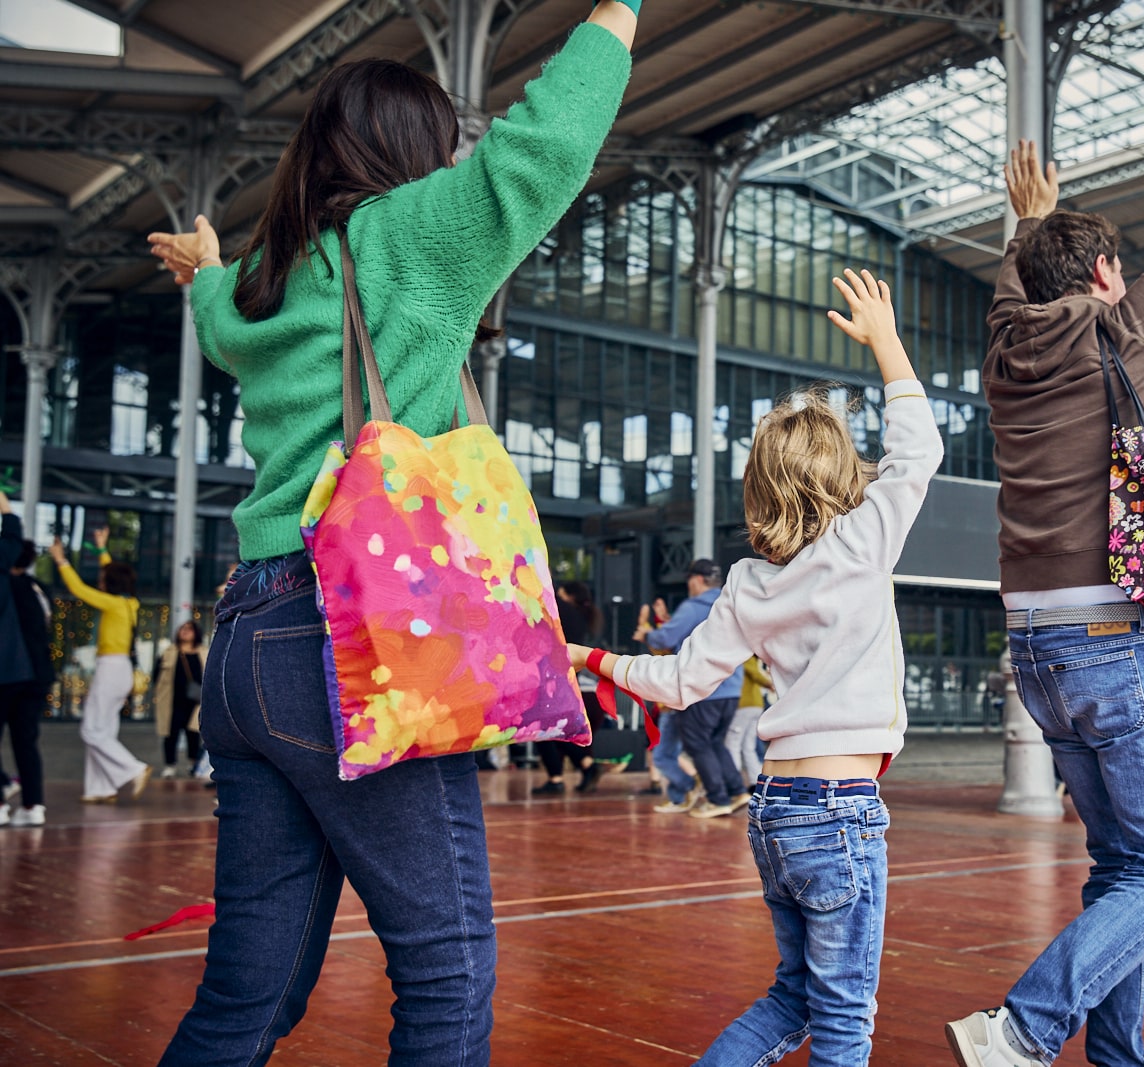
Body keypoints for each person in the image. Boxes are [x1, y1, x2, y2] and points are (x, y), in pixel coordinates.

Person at [145, 6, 637, 1061]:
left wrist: (203, 261)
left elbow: (215, 306)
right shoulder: (408, 235)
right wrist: (618, 11)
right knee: (447, 971)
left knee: (249, 988)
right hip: (351, 639)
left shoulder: (263, 282)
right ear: (412, 161)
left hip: (245, 646)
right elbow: (544, 147)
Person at [570, 267, 941, 1065]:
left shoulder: (748, 583)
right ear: (841, 474)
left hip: (774, 810)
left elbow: (677, 683)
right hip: (842, 811)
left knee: (792, 999)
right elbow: (920, 446)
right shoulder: (863, 541)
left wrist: (589, 655)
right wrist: (887, 344)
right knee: (844, 1020)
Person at [947, 82, 1144, 1067]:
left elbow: (1010, 286)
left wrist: (1025, 223)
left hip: (1035, 648)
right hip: (1118, 635)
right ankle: (1023, 1026)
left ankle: (1118, 1058)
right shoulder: (1131, 324)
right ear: (1109, 271)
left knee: (1124, 864)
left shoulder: (1001, 347)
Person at [48, 528, 150, 804]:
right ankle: (100, 788)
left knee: (91, 730)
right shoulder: (130, 604)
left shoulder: (113, 604)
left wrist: (61, 560)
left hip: (111, 668)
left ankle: (133, 768)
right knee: (104, 730)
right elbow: (114, 572)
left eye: (104, 578)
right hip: (123, 671)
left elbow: (78, 589)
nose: (101, 580)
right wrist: (103, 550)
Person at [638, 559, 746, 818]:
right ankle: (737, 790)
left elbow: (665, 638)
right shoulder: (730, 605)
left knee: (697, 744)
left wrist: (646, 634)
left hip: (703, 689)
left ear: (697, 580)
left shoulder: (694, 606)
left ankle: (718, 799)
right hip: (731, 688)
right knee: (715, 742)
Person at [1, 496, 53, 827]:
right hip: (34, 674)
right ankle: (34, 804)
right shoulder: (40, 589)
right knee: (26, 741)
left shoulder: (12, 584)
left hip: (9, 671)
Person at [532, 580, 606, 795]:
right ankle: (584, 767)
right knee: (549, 728)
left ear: (566, 595)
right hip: (571, 682)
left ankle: (564, 774)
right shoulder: (581, 617)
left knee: (543, 727)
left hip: (552, 680)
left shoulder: (558, 609)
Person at [151, 620, 208, 779]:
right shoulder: (169, 652)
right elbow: (157, 674)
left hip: (196, 702)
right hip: (172, 700)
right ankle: (170, 765)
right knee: (170, 733)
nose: (185, 631)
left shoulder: (203, 652)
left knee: (193, 733)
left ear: (196, 633)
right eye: (182, 628)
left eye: (189, 629)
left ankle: (192, 764)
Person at [725, 655, 773, 788]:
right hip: (756, 705)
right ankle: (756, 781)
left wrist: (769, 683)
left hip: (744, 705)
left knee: (732, 744)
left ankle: (735, 784)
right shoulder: (751, 658)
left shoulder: (744, 657)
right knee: (748, 746)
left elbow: (754, 673)